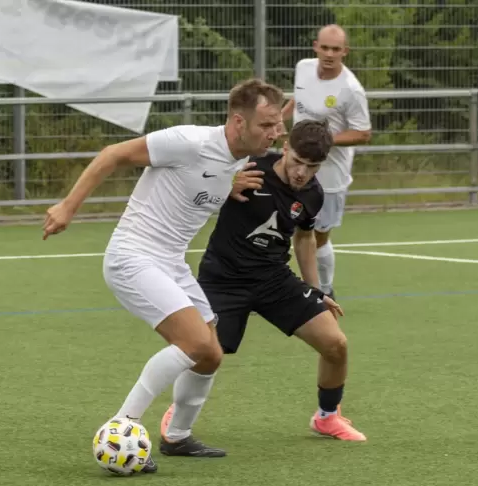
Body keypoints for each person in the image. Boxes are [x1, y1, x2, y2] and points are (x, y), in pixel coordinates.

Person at [42, 78, 285, 472]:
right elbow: (112, 154)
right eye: (267, 125)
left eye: (278, 125)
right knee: (193, 342)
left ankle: (178, 436)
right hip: (133, 257)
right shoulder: (188, 141)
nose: (274, 134)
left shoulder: (240, 157)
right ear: (238, 122)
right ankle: (122, 426)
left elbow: (207, 179)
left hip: (171, 262)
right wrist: (68, 207)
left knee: (210, 354)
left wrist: (231, 183)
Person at [157, 118, 368, 449]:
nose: (302, 172)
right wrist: (226, 183)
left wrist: (316, 290)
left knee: (335, 344)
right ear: (285, 148)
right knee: (205, 351)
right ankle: (178, 415)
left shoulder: (313, 194)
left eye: (311, 166)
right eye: (297, 161)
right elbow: (195, 180)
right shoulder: (250, 167)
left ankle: (327, 416)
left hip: (273, 279)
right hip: (224, 277)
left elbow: (304, 239)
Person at [281, 24, 372, 301]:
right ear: (315, 46)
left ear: (345, 51)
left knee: (317, 236)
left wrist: (320, 141)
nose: (329, 54)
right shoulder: (303, 67)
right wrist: (276, 121)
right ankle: (271, 289)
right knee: (278, 225)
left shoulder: (350, 90)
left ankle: (325, 289)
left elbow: (363, 133)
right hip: (292, 163)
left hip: (329, 175)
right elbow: (299, 100)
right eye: (325, 47)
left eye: (336, 49)